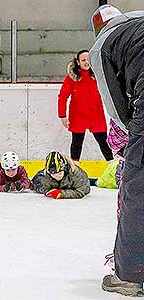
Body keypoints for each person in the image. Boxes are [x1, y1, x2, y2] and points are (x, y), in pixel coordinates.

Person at [89, 4, 144, 295]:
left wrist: (130, 138)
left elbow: (114, 105)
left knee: (137, 190)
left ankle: (130, 275)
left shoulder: (103, 44)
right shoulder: (138, 18)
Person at [58, 50, 113, 163]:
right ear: (78, 62)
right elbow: (63, 96)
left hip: (96, 115)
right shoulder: (72, 78)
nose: (86, 62)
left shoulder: (99, 75)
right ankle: (74, 168)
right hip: (78, 116)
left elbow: (110, 92)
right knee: (77, 142)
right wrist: (63, 115)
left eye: (88, 60)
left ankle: (112, 166)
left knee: (103, 142)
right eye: (83, 60)